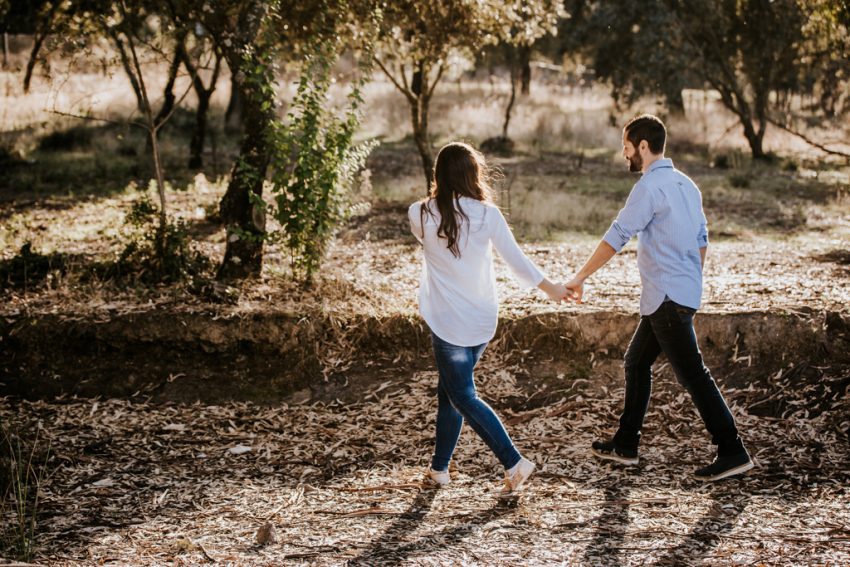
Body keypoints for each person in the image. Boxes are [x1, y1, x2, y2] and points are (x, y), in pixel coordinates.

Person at [564, 114, 754, 482]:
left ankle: (732, 448)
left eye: (627, 147)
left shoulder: (649, 187)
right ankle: (625, 444)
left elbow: (618, 235)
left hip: (667, 297)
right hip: (673, 294)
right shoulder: (687, 186)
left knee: (694, 374)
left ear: (644, 147)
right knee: (636, 362)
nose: (625, 155)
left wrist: (579, 277)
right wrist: (690, 282)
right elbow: (702, 239)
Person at [409, 142, 568, 494]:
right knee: (449, 392)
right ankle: (439, 470)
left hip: (448, 323)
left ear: (437, 175)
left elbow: (427, 238)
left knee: (462, 393)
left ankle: (513, 461)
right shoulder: (488, 214)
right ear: (473, 175)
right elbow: (518, 262)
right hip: (481, 321)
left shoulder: (419, 213)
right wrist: (552, 289)